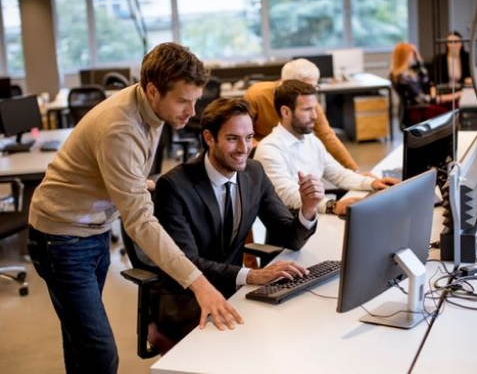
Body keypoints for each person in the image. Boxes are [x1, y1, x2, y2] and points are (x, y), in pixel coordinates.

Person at [27, 43, 242, 374]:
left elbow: (117, 164)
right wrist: (199, 284)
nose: (192, 111)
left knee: (80, 344)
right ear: (153, 90)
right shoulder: (121, 128)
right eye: (183, 101)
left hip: (93, 229)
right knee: (99, 354)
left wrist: (133, 182)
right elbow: (140, 223)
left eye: (195, 100)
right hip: (62, 239)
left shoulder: (152, 108)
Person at [150, 97, 322, 350]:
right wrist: (251, 275)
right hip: (187, 297)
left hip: (235, 290)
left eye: (249, 137)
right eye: (233, 139)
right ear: (209, 138)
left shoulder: (254, 173)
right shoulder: (174, 186)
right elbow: (186, 262)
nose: (244, 148)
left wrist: (308, 208)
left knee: (297, 333)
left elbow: (290, 237)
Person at [254, 80, 399, 216]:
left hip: (314, 215)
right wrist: (331, 205)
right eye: (307, 110)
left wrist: (371, 183)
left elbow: (338, 174)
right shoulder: (269, 149)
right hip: (292, 227)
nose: (315, 116)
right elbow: (289, 196)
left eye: (315, 109)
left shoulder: (310, 139)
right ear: (286, 112)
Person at [244, 58, 359, 171]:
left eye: (314, 87)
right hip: (259, 151)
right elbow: (242, 132)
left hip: (290, 150)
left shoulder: (309, 103)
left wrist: (354, 170)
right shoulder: (257, 95)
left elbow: (328, 137)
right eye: (307, 88)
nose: (311, 93)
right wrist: (261, 147)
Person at [390, 42, 461, 126]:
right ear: (404, 56)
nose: (414, 57)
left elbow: (426, 79)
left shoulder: (410, 74)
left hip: (422, 106)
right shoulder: (402, 78)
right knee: (448, 113)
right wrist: (450, 97)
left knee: (454, 105)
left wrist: (418, 60)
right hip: (417, 111)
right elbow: (422, 99)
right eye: (412, 54)